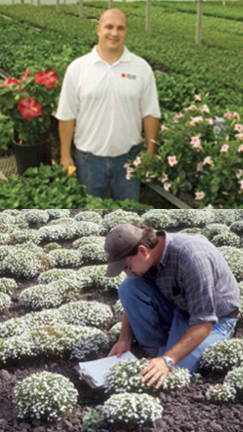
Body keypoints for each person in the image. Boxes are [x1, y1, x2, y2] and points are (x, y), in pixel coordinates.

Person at [105, 223, 240, 389]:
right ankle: (157, 350)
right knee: (129, 286)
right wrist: (124, 338)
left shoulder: (192, 259)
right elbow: (131, 298)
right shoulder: (150, 257)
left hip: (215, 320)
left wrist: (167, 360)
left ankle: (166, 354)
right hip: (180, 308)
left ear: (143, 250)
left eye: (127, 267)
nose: (127, 273)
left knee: (175, 373)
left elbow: (204, 323)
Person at [55, 8, 160, 201]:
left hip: (129, 159)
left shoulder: (141, 68)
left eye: (120, 28)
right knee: (89, 215)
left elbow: (151, 112)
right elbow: (67, 115)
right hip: (88, 161)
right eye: (109, 27)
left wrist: (150, 153)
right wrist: (65, 155)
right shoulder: (78, 68)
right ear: (98, 29)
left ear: (126, 32)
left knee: (128, 216)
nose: (114, 33)